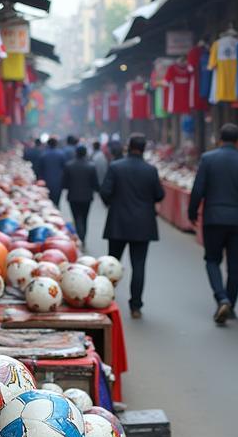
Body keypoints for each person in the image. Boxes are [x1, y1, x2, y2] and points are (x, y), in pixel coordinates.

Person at [188, 123, 238, 325]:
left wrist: (192, 212)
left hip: (213, 218)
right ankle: (231, 305)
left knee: (212, 260)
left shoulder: (208, 159)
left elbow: (198, 189)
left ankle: (222, 298)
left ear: (219, 139)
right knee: (236, 266)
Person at [100, 134, 165, 319]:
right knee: (138, 265)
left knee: (111, 264)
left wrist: (113, 205)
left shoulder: (115, 167)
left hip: (118, 222)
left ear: (128, 147)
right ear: (144, 148)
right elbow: (159, 195)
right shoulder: (150, 170)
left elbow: (105, 191)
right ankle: (135, 306)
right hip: (143, 224)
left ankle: (105, 298)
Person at [62, 144, 98, 241]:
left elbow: (65, 184)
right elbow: (95, 184)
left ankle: (78, 236)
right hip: (87, 197)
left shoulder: (69, 165)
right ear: (85, 153)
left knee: (76, 217)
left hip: (73, 196)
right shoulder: (91, 166)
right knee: (84, 218)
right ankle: (82, 237)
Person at [38, 137, 68, 206]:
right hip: (59, 181)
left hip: (46, 180)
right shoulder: (61, 154)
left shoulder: (43, 155)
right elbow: (65, 168)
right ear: (56, 144)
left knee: (47, 201)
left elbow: (40, 169)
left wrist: (40, 179)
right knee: (57, 200)